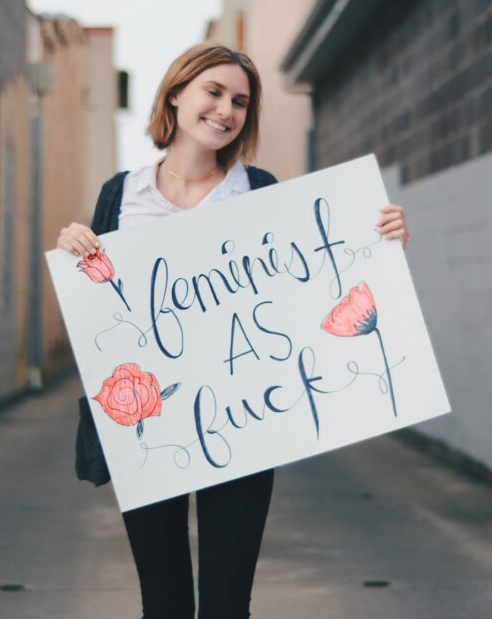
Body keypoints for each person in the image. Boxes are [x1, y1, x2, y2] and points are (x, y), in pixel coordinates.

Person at [55, 42, 409, 618]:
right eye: (213, 92)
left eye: (240, 102)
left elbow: (317, 289)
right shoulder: (121, 195)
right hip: (151, 426)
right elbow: (102, 318)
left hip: (243, 426)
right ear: (176, 95)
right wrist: (79, 251)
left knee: (225, 606)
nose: (226, 110)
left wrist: (382, 246)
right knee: (164, 605)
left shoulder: (261, 191)